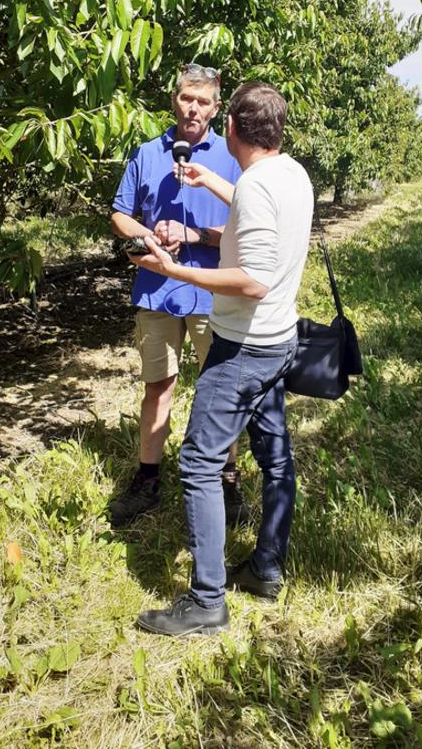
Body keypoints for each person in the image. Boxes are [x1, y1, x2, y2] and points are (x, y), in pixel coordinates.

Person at [132, 81, 314, 636]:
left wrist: (174, 270)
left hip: (243, 347)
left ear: (230, 125)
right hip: (281, 341)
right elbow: (255, 207)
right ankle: (265, 567)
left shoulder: (258, 185)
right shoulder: (292, 174)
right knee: (275, 456)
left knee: (198, 462)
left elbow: (252, 280)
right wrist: (208, 177)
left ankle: (207, 602)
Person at [109, 64, 246, 529]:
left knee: (222, 391)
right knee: (158, 386)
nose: (194, 108)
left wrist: (195, 234)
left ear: (215, 108)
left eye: (203, 101)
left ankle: (228, 479)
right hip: (158, 292)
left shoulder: (231, 160)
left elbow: (246, 229)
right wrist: (149, 236)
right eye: (187, 98)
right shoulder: (147, 154)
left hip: (213, 293)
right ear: (175, 99)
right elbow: (119, 215)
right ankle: (148, 479)